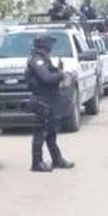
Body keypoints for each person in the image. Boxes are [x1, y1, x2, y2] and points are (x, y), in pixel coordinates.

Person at [25, 35, 75, 173]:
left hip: (50, 100)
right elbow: (46, 78)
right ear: (44, 45)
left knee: (51, 132)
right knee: (40, 132)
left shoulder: (44, 59)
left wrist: (59, 71)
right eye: (50, 44)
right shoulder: (37, 60)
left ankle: (57, 160)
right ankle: (37, 163)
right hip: (42, 100)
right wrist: (61, 75)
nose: (51, 47)